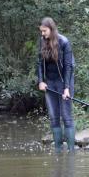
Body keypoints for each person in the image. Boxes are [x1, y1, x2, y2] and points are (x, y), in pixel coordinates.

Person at [37, 17, 75, 152]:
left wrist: (66, 88)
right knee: (54, 117)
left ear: (51, 29)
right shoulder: (42, 41)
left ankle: (71, 151)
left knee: (66, 117)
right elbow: (40, 63)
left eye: (44, 31)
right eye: (41, 31)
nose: (42, 34)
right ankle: (58, 151)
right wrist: (41, 81)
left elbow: (69, 66)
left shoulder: (64, 42)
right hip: (49, 82)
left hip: (64, 81)